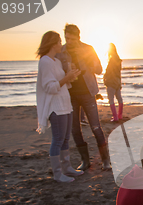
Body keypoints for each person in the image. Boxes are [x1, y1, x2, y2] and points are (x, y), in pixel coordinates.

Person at [56, 24, 111, 171]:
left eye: (72, 39)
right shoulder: (61, 51)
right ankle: (85, 161)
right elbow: (57, 73)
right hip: (70, 94)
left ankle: (106, 160)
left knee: (95, 127)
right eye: (67, 38)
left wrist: (88, 63)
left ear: (78, 37)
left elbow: (99, 70)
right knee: (75, 129)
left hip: (88, 93)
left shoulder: (88, 49)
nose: (69, 42)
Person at [36, 31, 83, 182]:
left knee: (65, 138)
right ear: (52, 44)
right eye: (58, 42)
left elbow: (62, 83)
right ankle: (57, 174)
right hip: (55, 107)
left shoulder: (55, 61)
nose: (60, 44)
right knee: (58, 139)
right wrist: (66, 78)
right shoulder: (45, 61)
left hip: (65, 104)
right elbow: (49, 87)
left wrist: (71, 76)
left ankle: (67, 168)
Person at [103, 43, 123, 122]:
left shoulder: (112, 60)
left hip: (111, 81)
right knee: (119, 98)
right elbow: (118, 72)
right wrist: (120, 83)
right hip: (117, 81)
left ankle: (115, 117)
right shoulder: (118, 59)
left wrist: (105, 78)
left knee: (111, 99)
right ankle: (119, 115)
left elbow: (108, 71)